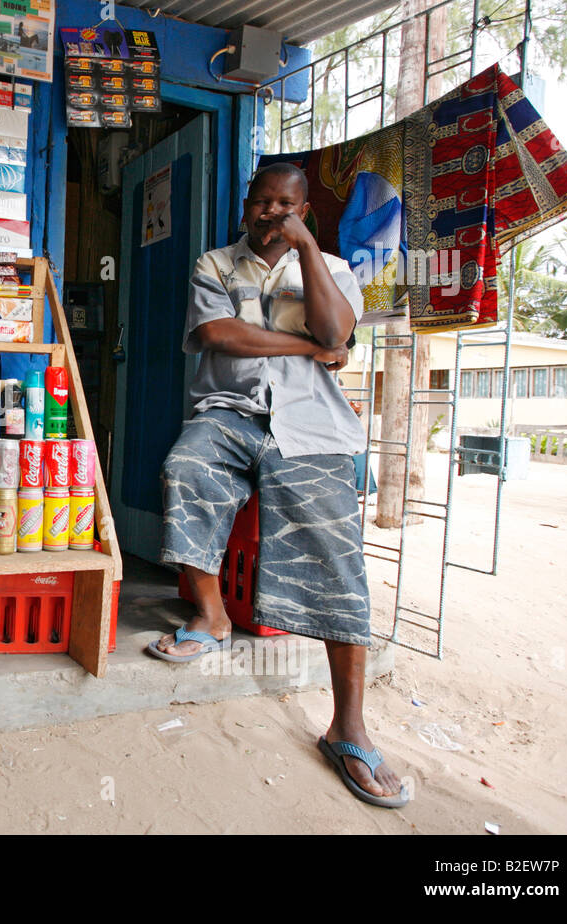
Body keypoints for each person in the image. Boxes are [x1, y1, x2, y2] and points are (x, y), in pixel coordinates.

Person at [148, 162, 408, 808]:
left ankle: (348, 727)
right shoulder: (215, 264)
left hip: (310, 425)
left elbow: (336, 331)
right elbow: (218, 335)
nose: (268, 213)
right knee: (186, 469)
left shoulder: (333, 267)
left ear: (302, 210)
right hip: (229, 415)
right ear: (245, 203)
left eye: (283, 205)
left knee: (335, 552)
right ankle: (212, 615)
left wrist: (310, 251)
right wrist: (307, 351)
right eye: (260, 201)